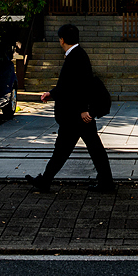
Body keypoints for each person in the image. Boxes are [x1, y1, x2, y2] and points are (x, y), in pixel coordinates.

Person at [26, 23, 115, 193]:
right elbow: (68, 85)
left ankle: (45, 181)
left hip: (76, 116)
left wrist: (83, 109)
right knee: (90, 150)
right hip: (77, 115)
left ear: (62, 40)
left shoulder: (76, 56)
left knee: (64, 150)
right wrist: (51, 93)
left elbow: (81, 86)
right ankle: (106, 182)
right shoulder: (77, 54)